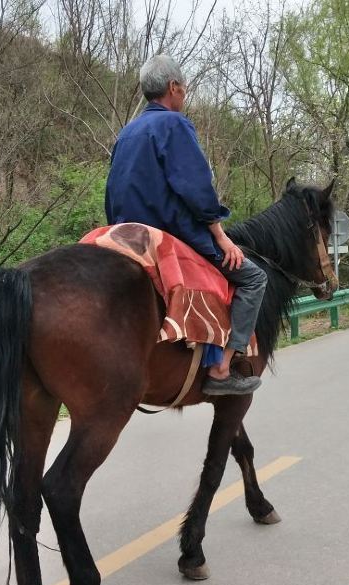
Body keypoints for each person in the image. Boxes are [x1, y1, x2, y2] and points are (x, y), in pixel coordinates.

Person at [105, 55, 267, 396]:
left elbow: (113, 191)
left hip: (123, 232)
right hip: (170, 233)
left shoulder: (127, 133)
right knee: (253, 278)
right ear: (173, 87)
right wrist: (221, 237)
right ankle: (222, 369)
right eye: (185, 88)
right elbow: (196, 189)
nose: (185, 94)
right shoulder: (175, 125)